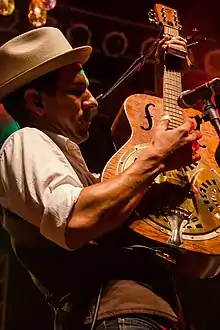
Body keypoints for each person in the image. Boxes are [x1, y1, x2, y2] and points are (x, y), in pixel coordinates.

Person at [0, 27, 201, 330]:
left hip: (151, 313)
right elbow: (76, 219)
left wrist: (167, 77)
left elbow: (137, 192)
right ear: (36, 102)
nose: (93, 101)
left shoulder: (75, 166)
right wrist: (157, 156)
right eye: (76, 90)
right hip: (112, 317)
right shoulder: (25, 141)